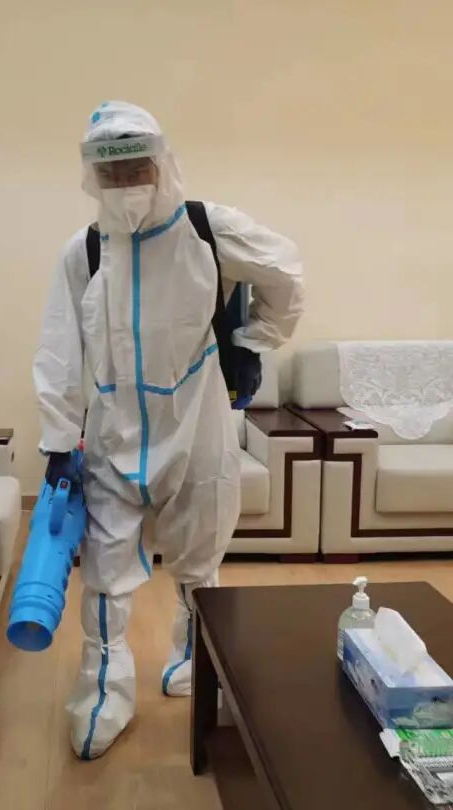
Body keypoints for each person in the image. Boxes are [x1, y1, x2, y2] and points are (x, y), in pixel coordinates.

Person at [33, 101, 304, 759]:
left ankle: (196, 663)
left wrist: (253, 339)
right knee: (106, 570)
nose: (127, 183)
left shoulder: (208, 229)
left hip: (196, 421)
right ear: (94, 177)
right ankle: (104, 694)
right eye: (113, 172)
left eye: (137, 167)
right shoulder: (85, 251)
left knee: (199, 558)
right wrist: (58, 440)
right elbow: (59, 349)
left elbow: (285, 275)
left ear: (162, 163)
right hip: (113, 431)